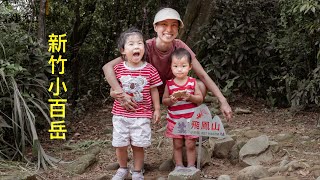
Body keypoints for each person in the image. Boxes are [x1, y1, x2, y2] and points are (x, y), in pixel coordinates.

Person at [102, 7, 233, 121]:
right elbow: (108, 67)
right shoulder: (144, 47)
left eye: (174, 25)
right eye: (164, 24)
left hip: (171, 92)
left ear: (178, 28)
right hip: (147, 93)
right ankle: (135, 119)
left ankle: (188, 118)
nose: (169, 29)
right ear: (155, 27)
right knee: (116, 87)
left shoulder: (179, 46)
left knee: (200, 86)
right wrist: (120, 93)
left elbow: (203, 75)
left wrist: (223, 100)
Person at [109, 27, 162, 180]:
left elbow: (154, 91)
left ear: (144, 49)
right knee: (120, 144)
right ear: (123, 51)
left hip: (142, 115)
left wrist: (157, 109)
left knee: (138, 145)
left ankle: (137, 171)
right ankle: (122, 168)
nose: (136, 46)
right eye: (131, 44)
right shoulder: (118, 68)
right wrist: (116, 94)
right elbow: (112, 91)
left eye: (140, 43)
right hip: (120, 115)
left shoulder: (150, 70)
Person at [162, 48, 203, 170]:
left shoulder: (192, 82)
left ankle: (191, 166)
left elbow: (200, 99)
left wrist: (190, 97)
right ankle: (178, 165)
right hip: (175, 120)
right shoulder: (169, 84)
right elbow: (164, 101)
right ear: (171, 67)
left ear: (190, 67)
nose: (179, 69)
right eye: (175, 66)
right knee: (177, 144)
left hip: (191, 120)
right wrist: (171, 100)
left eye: (183, 66)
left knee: (190, 144)